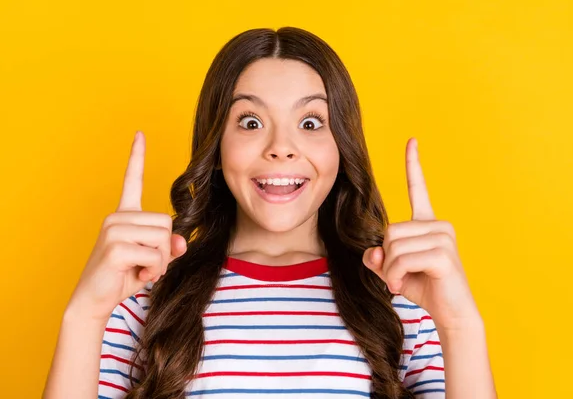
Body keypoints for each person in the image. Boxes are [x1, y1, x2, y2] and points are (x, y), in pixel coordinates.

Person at [42, 27, 497, 399]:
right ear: (216, 145)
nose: (281, 148)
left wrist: (460, 325)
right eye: (251, 122)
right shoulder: (143, 295)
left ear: (342, 145)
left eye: (311, 123)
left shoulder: (404, 297)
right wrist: (84, 314)